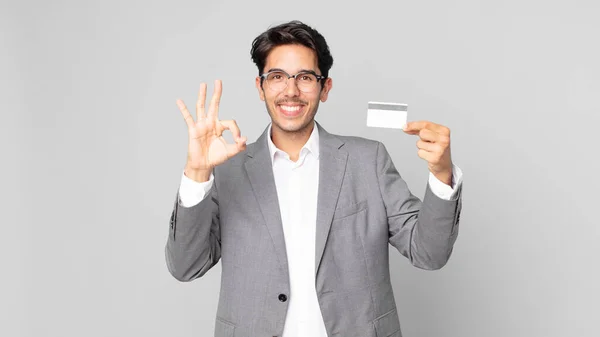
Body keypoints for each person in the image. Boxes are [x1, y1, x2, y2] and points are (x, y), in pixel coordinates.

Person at [165, 20, 463, 337]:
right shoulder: (227, 169)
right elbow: (186, 266)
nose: (291, 91)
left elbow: (428, 253)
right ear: (260, 86)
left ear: (325, 88)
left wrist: (442, 173)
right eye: (277, 77)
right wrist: (197, 173)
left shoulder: (368, 161)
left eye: (305, 77)